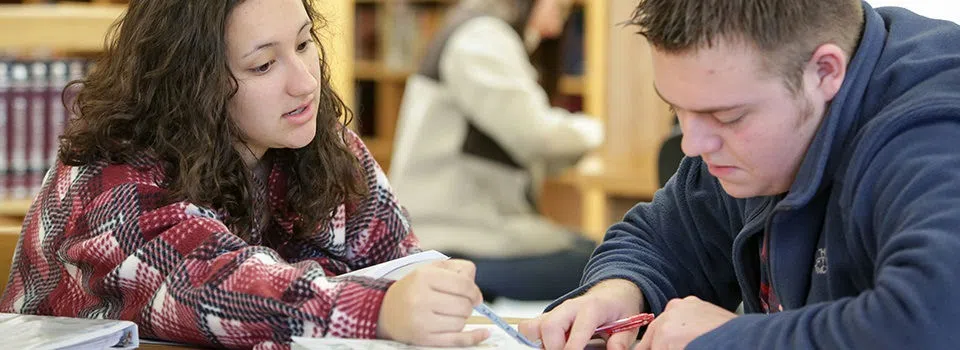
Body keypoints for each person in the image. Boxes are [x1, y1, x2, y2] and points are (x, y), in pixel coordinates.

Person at [0, 0, 491, 348]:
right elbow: (212, 287)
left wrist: (490, 330)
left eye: (304, 43)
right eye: (263, 65)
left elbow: (401, 266)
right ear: (193, 82)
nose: (304, 82)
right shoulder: (113, 176)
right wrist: (381, 310)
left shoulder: (320, 142)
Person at [518, 0, 960, 349]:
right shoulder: (756, 129)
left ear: (825, 71)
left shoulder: (935, 134)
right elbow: (662, 239)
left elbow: (931, 325)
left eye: (727, 117)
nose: (692, 145)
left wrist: (731, 340)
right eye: (676, 109)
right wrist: (618, 291)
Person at [389, 0, 602, 301]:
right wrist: (596, 132)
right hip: (449, 239)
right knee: (604, 266)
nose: (561, 14)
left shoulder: (485, 31)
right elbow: (537, 136)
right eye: (559, 5)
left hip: (469, 229)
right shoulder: (480, 38)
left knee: (600, 252)